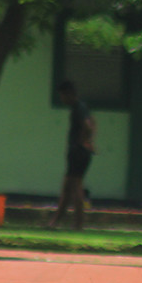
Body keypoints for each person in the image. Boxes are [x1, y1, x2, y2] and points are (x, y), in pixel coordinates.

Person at [48, 80, 95, 230]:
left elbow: (88, 126)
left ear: (68, 94)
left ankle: (78, 224)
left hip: (78, 152)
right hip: (78, 151)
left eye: (62, 95)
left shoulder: (79, 108)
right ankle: (55, 222)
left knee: (75, 188)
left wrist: (83, 142)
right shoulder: (81, 107)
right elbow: (93, 123)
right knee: (68, 188)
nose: (62, 99)